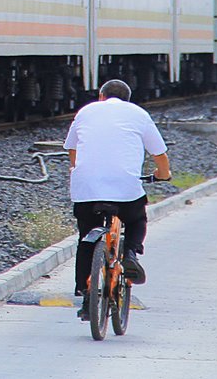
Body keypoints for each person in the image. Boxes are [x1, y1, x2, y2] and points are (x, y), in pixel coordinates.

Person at [64, 78, 171, 319]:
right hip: (125, 189)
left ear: (101, 96)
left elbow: (72, 149)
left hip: (87, 190)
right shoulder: (138, 114)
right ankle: (131, 253)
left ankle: (84, 289)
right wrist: (163, 175)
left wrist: (78, 168)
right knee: (136, 219)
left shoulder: (85, 111)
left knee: (85, 238)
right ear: (127, 99)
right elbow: (159, 154)